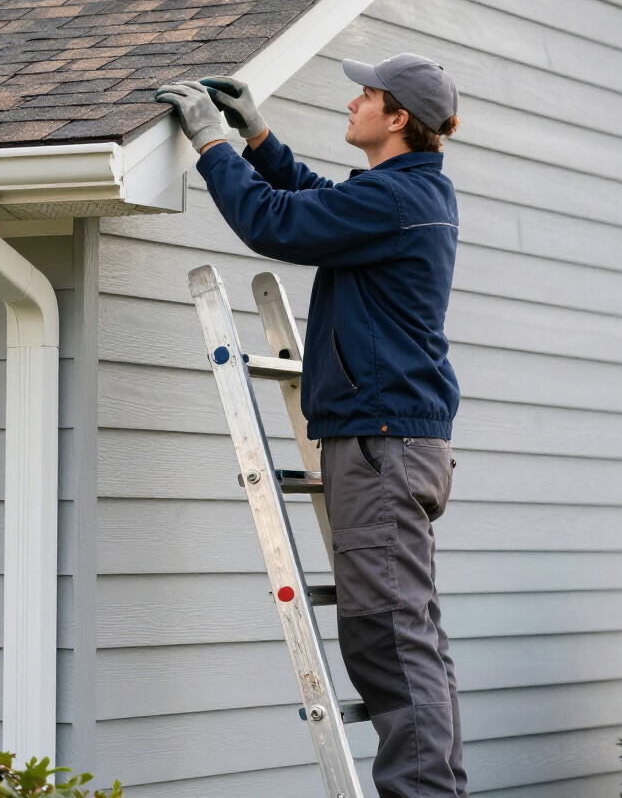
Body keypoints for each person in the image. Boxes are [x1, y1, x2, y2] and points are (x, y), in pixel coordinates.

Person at [155, 53, 465, 798]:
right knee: (405, 636)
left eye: (368, 94)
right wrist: (258, 139)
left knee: (390, 640)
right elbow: (319, 201)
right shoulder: (401, 195)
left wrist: (210, 144)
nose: (352, 101)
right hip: (389, 439)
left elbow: (279, 224)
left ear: (398, 119)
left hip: (381, 446)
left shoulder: (399, 199)